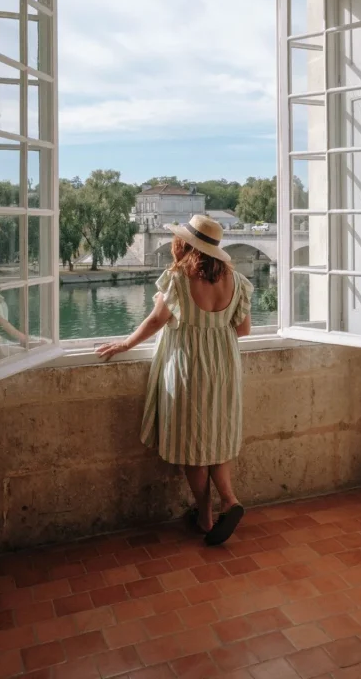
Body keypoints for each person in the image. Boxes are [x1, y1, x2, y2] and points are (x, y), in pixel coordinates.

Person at [95, 214, 252, 546]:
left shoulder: (178, 278)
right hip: (224, 367)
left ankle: (205, 516)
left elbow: (156, 321)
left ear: (184, 244)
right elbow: (243, 330)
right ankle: (230, 499)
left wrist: (125, 343)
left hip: (188, 367)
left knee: (192, 442)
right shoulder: (236, 280)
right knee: (217, 436)